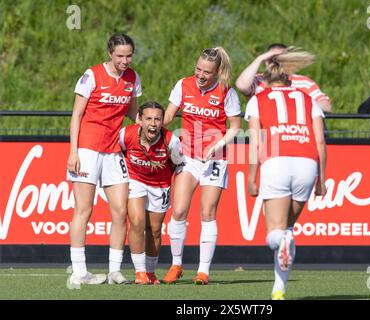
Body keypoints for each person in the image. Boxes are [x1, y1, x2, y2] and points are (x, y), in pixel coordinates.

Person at [245, 53, 327, 300]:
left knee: (275, 234)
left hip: (277, 162)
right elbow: (321, 141)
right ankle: (278, 290)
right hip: (306, 163)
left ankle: (280, 243)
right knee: (289, 229)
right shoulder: (307, 98)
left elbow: (255, 142)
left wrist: (251, 176)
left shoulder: (258, 99)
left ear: (266, 80)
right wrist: (322, 179)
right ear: (289, 79)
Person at [66, 33, 142, 285]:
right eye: (120, 56)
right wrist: (73, 152)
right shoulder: (92, 75)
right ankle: (80, 272)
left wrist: (146, 124)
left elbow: (132, 111)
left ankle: (114, 271)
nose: (125, 60)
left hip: (113, 151)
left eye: (129, 55)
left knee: (121, 212)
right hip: (87, 149)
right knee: (84, 211)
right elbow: (76, 115)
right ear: (110, 53)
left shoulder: (132, 78)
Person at [162, 47, 241, 285]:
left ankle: (203, 271)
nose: (201, 74)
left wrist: (217, 145)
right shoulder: (183, 85)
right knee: (178, 211)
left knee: (207, 212)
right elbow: (167, 118)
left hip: (215, 158)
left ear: (217, 72)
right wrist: (146, 123)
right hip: (188, 156)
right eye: (198, 69)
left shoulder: (227, 91)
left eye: (207, 71)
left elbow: (235, 127)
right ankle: (176, 265)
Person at [118, 101, 184, 285]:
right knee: (137, 222)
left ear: (163, 121)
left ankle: (150, 271)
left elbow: (178, 164)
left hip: (160, 185)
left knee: (154, 230)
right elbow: (116, 152)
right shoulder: (126, 134)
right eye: (148, 119)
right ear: (139, 119)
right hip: (135, 180)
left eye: (157, 119)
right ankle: (140, 273)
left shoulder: (171, 141)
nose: (153, 124)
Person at [235, 43, 332, 113]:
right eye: (272, 59)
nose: (277, 64)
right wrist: (259, 58)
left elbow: (326, 107)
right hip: (270, 137)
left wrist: (296, 106)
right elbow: (241, 85)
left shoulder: (305, 82)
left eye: (282, 60)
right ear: (265, 61)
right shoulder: (258, 80)